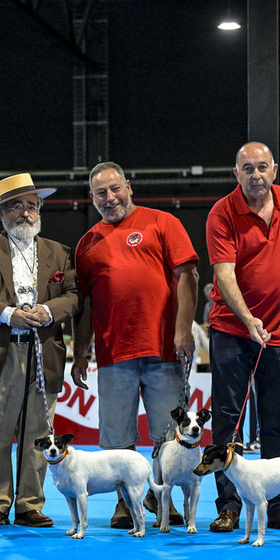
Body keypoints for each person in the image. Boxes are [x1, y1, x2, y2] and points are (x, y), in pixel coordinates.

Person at [71, 161, 198, 529]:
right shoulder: (87, 244)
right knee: (115, 440)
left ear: (128, 186)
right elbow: (85, 304)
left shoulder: (162, 223)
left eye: (115, 189)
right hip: (113, 354)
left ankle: (165, 503)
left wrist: (183, 329)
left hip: (163, 349)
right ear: (91, 198)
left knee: (167, 437)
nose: (110, 198)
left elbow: (187, 275)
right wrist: (81, 352)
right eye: (100, 193)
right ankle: (126, 504)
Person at [0, 173, 80, 529]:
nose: (24, 212)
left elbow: (74, 296)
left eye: (31, 205)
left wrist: (49, 311)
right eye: (15, 206)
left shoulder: (58, 251)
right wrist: (9, 315)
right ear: (1, 213)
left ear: (39, 209)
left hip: (44, 350)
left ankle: (29, 504)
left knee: (39, 432)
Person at [204, 141, 280, 533]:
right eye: (247, 168)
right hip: (233, 331)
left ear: (275, 169)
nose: (255, 175)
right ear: (236, 173)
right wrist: (248, 318)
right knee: (228, 423)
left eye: (262, 167)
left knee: (277, 423)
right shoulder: (222, 212)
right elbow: (224, 273)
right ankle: (229, 506)